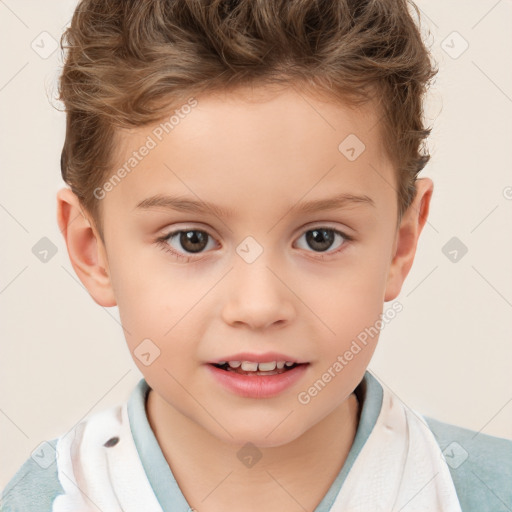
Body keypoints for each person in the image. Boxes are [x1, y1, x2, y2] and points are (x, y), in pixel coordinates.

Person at [2, 0, 511, 511]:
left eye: (320, 238)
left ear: (401, 244)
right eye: (191, 240)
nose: (259, 306)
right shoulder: (40, 498)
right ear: (94, 252)